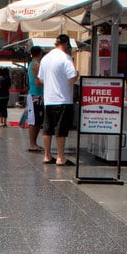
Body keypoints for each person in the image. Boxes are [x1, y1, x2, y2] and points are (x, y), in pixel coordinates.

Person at [38, 33, 79, 165]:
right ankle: (61, 157)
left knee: (47, 128)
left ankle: (47, 155)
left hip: (49, 99)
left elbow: (41, 79)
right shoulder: (66, 58)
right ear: (66, 44)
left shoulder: (45, 58)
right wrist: (77, 74)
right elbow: (72, 78)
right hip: (63, 99)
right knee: (61, 129)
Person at [26, 46, 45, 151]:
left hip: (36, 95)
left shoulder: (32, 64)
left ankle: (34, 143)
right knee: (34, 120)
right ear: (40, 53)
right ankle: (32, 144)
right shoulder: (36, 65)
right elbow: (37, 82)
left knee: (37, 120)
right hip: (36, 95)